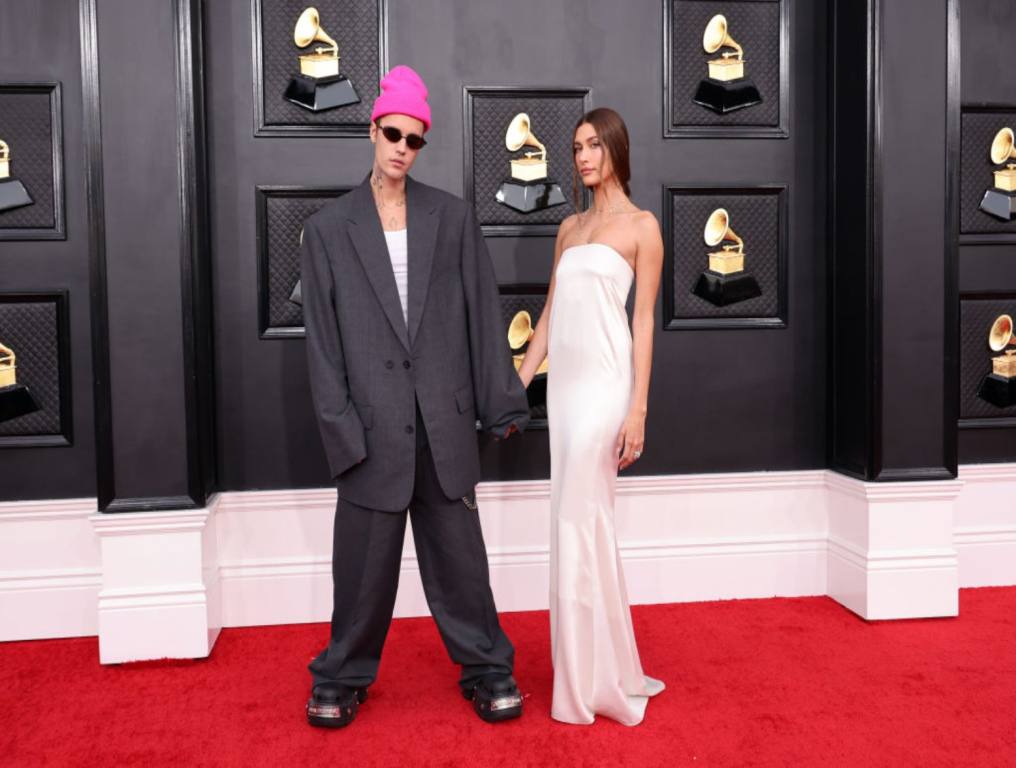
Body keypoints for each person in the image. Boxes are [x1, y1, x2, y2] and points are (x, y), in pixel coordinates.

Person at [300, 65, 530, 728]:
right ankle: (341, 675)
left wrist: (502, 401)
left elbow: (484, 318)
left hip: (445, 422)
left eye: (416, 138)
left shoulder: (452, 219)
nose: (403, 146)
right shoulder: (328, 229)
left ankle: (488, 669)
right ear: (372, 130)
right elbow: (322, 345)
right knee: (362, 574)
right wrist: (342, 433)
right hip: (369, 430)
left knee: (462, 565)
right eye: (394, 132)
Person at [516, 107, 665, 725]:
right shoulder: (569, 228)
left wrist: (638, 410)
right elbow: (548, 317)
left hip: (607, 388)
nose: (581, 157)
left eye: (593, 146)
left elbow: (644, 321)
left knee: (581, 519)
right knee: (575, 521)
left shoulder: (642, 227)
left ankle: (589, 682)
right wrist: (515, 382)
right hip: (566, 390)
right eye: (576, 146)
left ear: (615, 151)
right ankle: (600, 665)